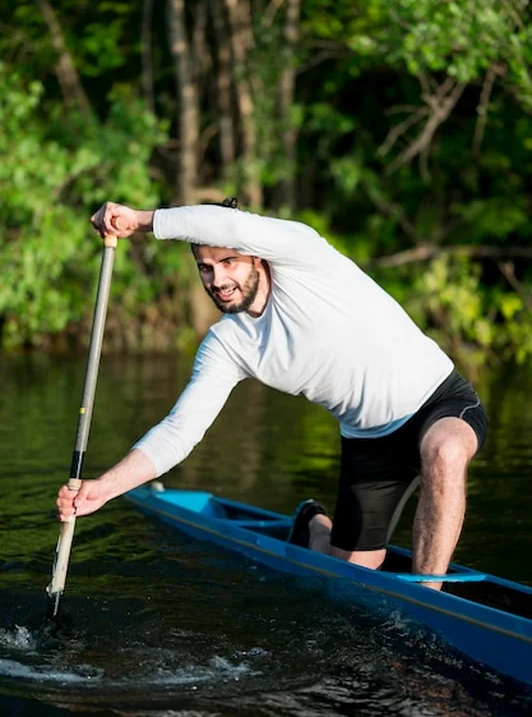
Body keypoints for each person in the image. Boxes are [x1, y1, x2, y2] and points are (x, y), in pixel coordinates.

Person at [56, 198, 487, 586]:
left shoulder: (303, 256)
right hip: (369, 444)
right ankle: (313, 526)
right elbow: (178, 432)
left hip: (438, 401)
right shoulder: (228, 344)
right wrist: (106, 487)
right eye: (206, 268)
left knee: (445, 451)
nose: (218, 279)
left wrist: (142, 220)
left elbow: (236, 228)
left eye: (228, 262)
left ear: (256, 257)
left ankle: (432, 599)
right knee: (346, 582)